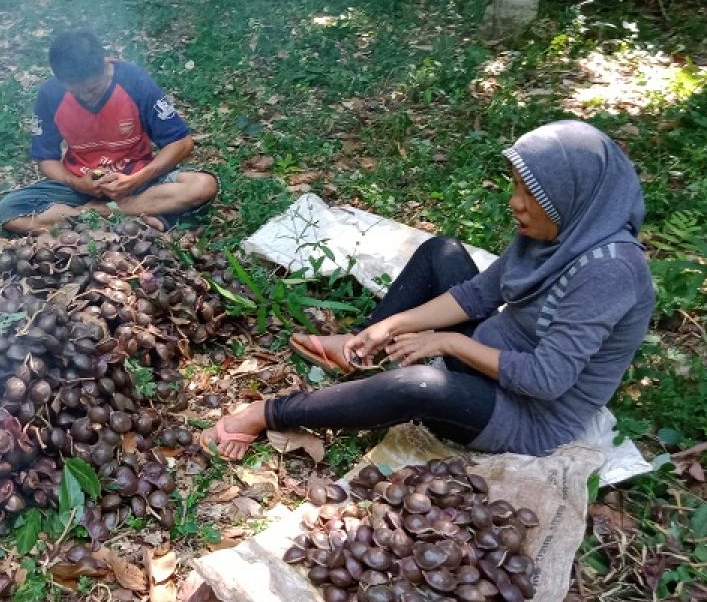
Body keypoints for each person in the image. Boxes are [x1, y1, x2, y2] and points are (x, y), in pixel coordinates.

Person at [201, 120, 656, 459]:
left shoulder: (609, 271)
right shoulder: (559, 232)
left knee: (420, 385)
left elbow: (545, 380)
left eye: (531, 194)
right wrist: (392, 326)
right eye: (516, 186)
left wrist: (447, 341)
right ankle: (359, 345)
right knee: (443, 252)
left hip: (523, 415)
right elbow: (479, 294)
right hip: (490, 355)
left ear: (572, 195)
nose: (515, 203)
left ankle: (270, 414)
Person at [0, 29, 218, 234]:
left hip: (138, 181)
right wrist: (78, 182)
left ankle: (99, 214)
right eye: (77, 92)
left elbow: (182, 143)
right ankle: (114, 215)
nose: (86, 97)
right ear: (61, 81)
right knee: (9, 211)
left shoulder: (133, 80)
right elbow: (46, 159)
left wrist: (135, 180)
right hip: (82, 186)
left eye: (93, 89)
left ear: (105, 66)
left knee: (203, 186)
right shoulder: (51, 93)